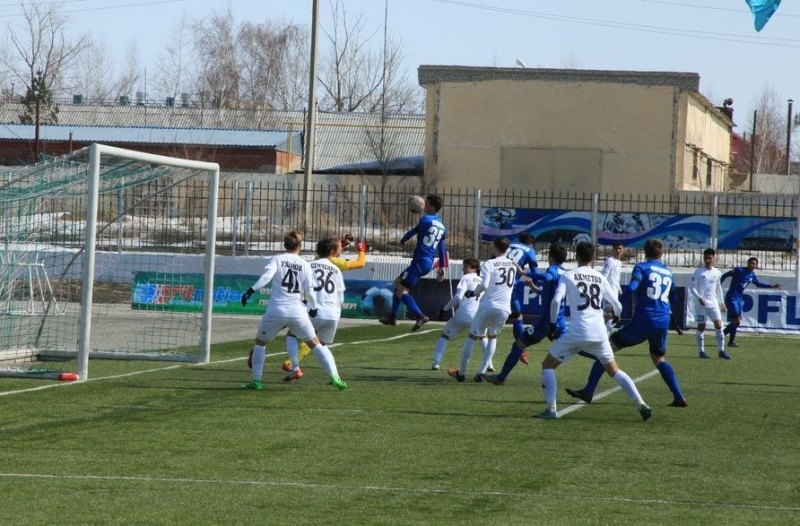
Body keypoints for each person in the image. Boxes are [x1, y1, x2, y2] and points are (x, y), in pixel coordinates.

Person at [534, 241, 652, 421]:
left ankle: (551, 409)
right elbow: (617, 305)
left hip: (577, 331)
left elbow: (556, 301)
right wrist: (617, 315)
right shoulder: (600, 277)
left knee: (548, 365)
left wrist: (551, 324)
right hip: (599, 333)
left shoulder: (568, 275)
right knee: (614, 371)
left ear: (576, 256)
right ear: (594, 257)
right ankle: (641, 403)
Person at [565, 238, 688, 408]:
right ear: (661, 254)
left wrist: (618, 304)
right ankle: (679, 396)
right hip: (663, 320)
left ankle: (588, 391)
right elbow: (673, 296)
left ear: (645, 252)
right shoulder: (667, 271)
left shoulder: (641, 268)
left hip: (645, 319)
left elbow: (631, 288)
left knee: (607, 349)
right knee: (658, 357)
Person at [240, 230, 347, 390]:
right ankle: (335, 377)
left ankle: (257, 381)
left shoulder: (278, 259)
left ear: (284, 245)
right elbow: (310, 290)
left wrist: (250, 290)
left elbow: (267, 277)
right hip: (298, 312)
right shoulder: (305, 264)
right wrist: (313, 307)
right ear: (300, 246)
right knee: (316, 344)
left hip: (277, 310)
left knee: (260, 344)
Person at [281, 235, 367, 372]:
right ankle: (291, 362)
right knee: (316, 339)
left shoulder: (317, 258)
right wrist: (362, 250)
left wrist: (342, 244)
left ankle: (260, 350)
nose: (341, 249)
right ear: (333, 251)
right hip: (322, 304)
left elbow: (329, 251)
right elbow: (360, 263)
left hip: (304, 300)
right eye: (340, 248)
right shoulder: (337, 263)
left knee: (281, 327)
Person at [484, 244, 567, 386]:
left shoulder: (552, 269)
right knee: (576, 346)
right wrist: (535, 288)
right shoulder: (565, 273)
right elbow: (553, 294)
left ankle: (500, 378)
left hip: (545, 324)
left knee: (518, 345)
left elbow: (547, 277)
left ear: (550, 257)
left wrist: (524, 273)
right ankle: (602, 359)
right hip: (560, 321)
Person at [447, 238, 516, 382]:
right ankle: (481, 373)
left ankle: (461, 373)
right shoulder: (513, 264)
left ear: (495, 246)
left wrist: (472, 293)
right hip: (505, 307)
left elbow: (484, 285)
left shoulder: (489, 263)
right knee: (492, 337)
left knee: (472, 336)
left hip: (488, 305)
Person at [380, 194, 448, 331]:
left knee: (401, 290)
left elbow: (414, 231)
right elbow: (441, 247)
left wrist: (402, 240)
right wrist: (442, 266)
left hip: (419, 261)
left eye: (427, 203)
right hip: (427, 262)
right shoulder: (441, 225)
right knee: (398, 283)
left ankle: (420, 315)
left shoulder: (426, 220)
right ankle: (392, 316)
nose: (424, 205)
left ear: (432, 206)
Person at [431, 258, 484, 371]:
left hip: (463, 314)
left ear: (474, 268)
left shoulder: (466, 278)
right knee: (482, 337)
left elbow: (458, 297)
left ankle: (436, 362)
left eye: (466, 267)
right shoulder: (482, 280)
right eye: (463, 266)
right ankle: (489, 364)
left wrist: (444, 309)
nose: (463, 269)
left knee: (445, 336)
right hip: (477, 316)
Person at [721, 257, 780, 347]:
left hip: (739, 300)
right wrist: (718, 284)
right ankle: (721, 335)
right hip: (731, 298)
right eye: (751, 263)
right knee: (737, 321)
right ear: (747, 263)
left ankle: (730, 342)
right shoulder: (739, 270)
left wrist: (771, 286)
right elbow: (725, 275)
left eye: (754, 264)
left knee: (736, 322)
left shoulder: (752, 276)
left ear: (756, 266)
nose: (752, 265)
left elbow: (758, 284)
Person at [690, 248, 728, 359]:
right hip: (701, 304)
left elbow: (718, 287)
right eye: (705, 258)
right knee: (701, 326)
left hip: (713, 303)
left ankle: (721, 351)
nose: (707, 260)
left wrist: (722, 302)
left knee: (719, 325)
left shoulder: (717, 272)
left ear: (714, 258)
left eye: (710, 258)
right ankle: (701, 351)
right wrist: (699, 297)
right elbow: (692, 287)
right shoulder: (699, 272)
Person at [505, 233, 539, 341]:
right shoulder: (530, 250)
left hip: (494, 281)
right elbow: (534, 272)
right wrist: (534, 284)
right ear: (531, 243)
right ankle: (520, 345)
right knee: (518, 315)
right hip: (508, 285)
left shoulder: (510, 245)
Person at [601, 242, 624, 331]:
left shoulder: (619, 262)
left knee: (614, 315)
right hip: (609, 293)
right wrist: (605, 291)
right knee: (609, 314)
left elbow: (615, 278)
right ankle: (604, 335)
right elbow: (604, 276)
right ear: (613, 250)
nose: (618, 250)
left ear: (623, 250)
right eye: (616, 248)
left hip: (615, 293)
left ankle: (605, 334)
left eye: (620, 248)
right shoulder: (610, 261)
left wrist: (619, 288)